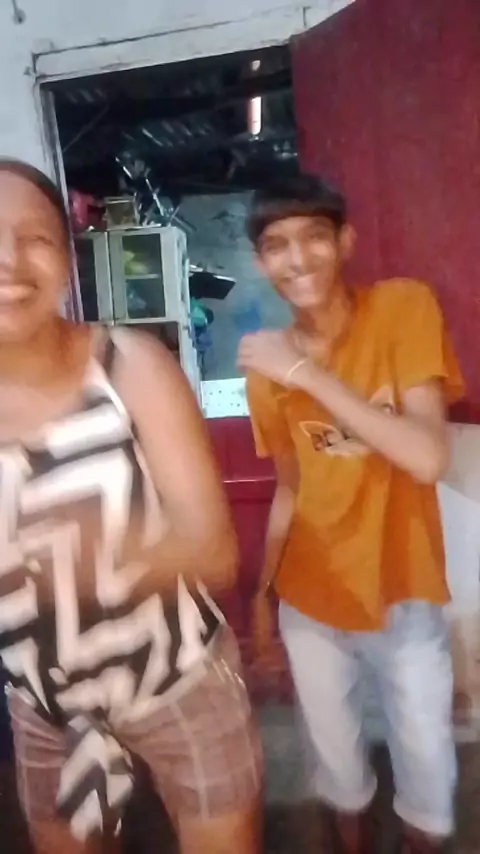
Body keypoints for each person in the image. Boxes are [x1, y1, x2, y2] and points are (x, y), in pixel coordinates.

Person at [0, 159, 262, 854]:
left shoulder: (129, 365)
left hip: (178, 683)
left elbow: (216, 554)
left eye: (35, 238)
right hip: (47, 710)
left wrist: (87, 546)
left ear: (68, 260)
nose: (9, 260)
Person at [238, 173, 464, 854]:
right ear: (260, 263)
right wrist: (263, 598)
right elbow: (290, 488)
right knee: (336, 766)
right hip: (311, 598)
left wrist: (304, 375)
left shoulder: (401, 309)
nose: (297, 258)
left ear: (345, 242)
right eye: (276, 245)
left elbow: (426, 457)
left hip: (402, 588)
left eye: (314, 236)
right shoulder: (265, 371)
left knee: (428, 769)